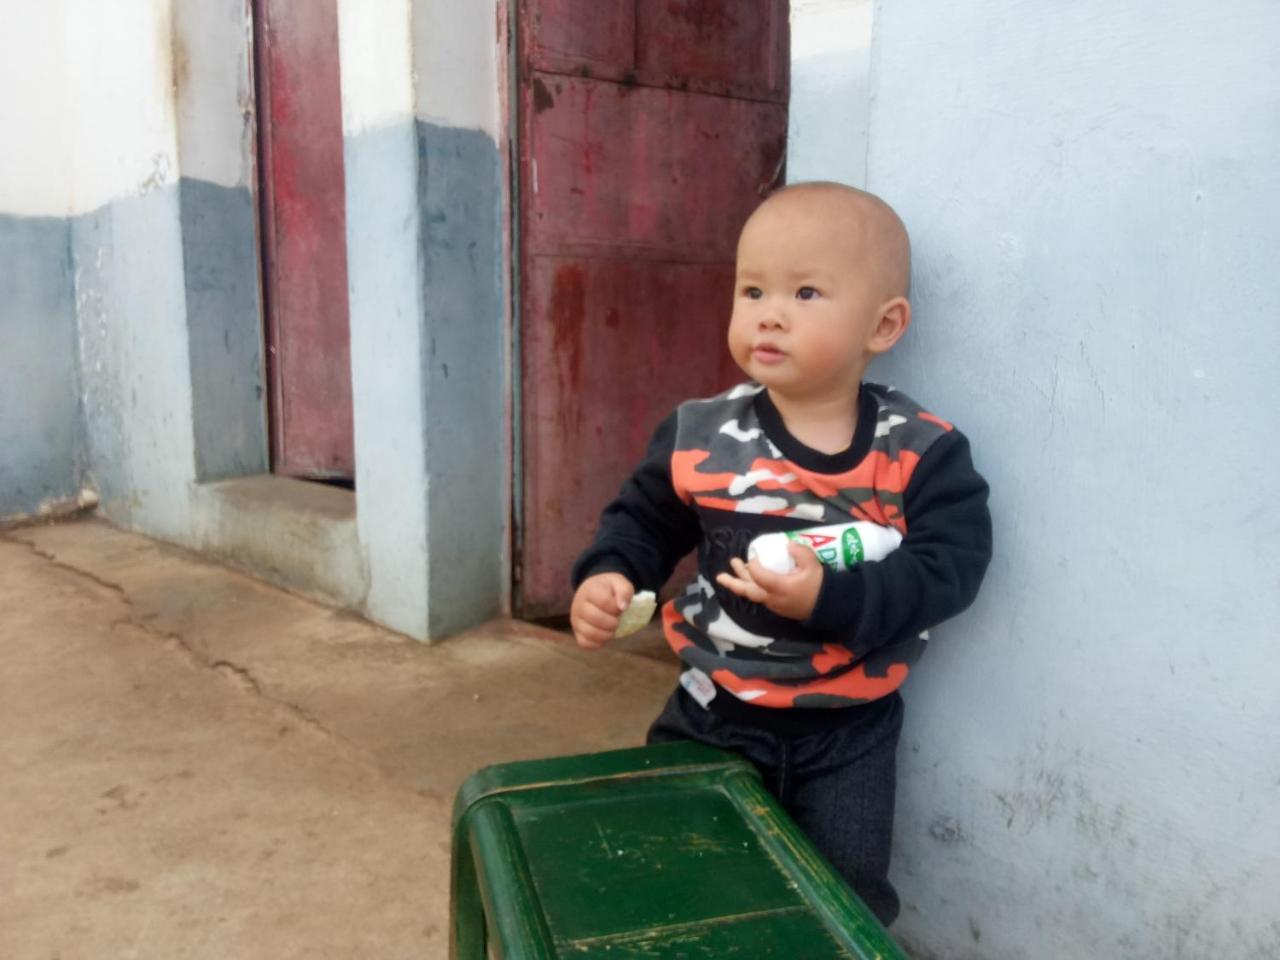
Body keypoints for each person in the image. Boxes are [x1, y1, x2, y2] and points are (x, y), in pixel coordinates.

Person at [568, 181, 993, 926]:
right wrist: (611, 573)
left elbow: (951, 568)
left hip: (848, 733)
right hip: (709, 712)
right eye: (752, 288)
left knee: (842, 901)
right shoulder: (699, 433)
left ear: (883, 324)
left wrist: (830, 600)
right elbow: (645, 519)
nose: (769, 312)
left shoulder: (919, 452)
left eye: (804, 292)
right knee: (677, 871)